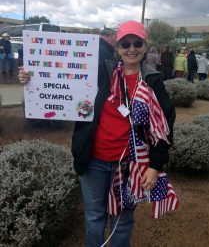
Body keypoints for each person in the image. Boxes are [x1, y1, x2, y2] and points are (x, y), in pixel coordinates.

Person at [18, 20, 178, 247]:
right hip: (94, 160)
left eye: (137, 42)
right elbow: (61, 76)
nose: (131, 48)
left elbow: (166, 124)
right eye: (125, 43)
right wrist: (31, 77)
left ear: (145, 45)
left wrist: (155, 165)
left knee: (122, 220)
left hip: (130, 165)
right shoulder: (101, 72)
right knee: (94, 218)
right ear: (117, 47)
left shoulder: (153, 81)